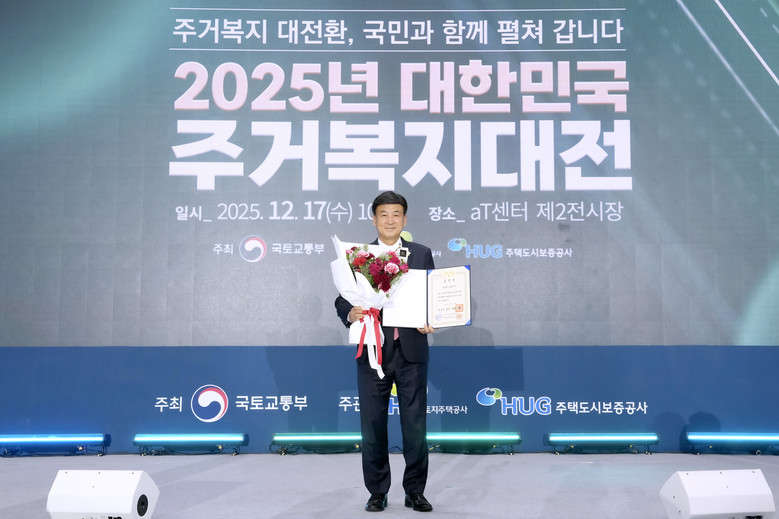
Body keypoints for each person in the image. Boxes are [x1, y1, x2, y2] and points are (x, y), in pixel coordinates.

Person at [335, 191, 435, 513]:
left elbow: (431, 297)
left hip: (411, 351)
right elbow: (342, 299)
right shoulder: (358, 256)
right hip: (372, 350)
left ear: (404, 219)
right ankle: (377, 491)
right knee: (373, 424)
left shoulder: (421, 254)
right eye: (383, 214)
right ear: (374, 219)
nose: (390, 220)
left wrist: (431, 319)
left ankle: (415, 491)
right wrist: (350, 312)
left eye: (396, 214)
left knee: (415, 426)